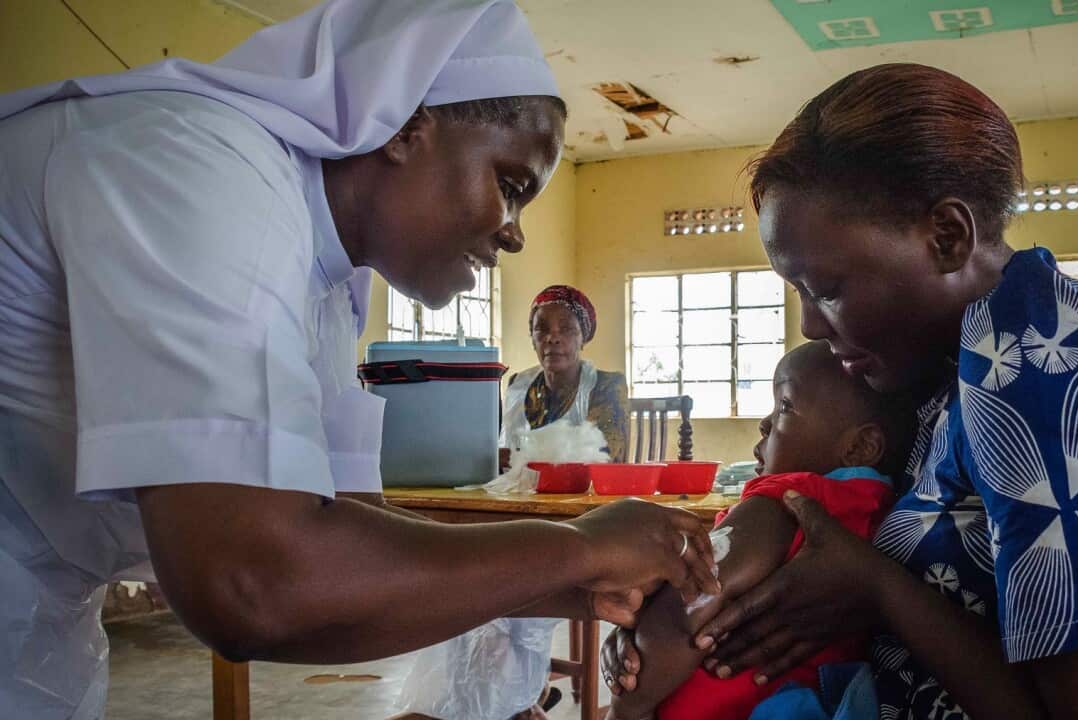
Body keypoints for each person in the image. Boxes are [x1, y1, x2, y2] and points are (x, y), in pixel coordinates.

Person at [0, 2, 717, 718]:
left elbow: (343, 546)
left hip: (35, 611)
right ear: (407, 127)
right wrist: (577, 548)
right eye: (509, 185)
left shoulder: (330, 283)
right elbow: (254, 584)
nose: (515, 234)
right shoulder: (203, 167)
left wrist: (576, 587)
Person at [603, 63, 1078, 719]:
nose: (808, 324)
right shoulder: (958, 359)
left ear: (947, 237)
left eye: (827, 288)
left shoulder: (1035, 368)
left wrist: (878, 587)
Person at [606, 342, 914, 720]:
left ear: (860, 447)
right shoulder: (878, 514)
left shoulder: (783, 502)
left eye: (785, 407)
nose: (765, 424)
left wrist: (626, 708)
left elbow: (692, 602)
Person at [501, 285, 630, 467]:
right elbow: (503, 454)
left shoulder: (607, 386)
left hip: (584, 493)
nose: (552, 338)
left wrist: (520, 457)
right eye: (541, 328)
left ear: (583, 338)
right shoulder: (518, 386)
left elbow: (606, 459)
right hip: (520, 493)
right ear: (532, 338)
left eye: (567, 328)